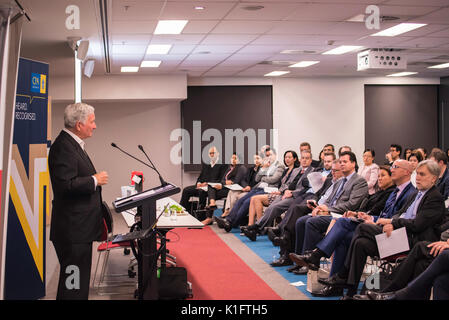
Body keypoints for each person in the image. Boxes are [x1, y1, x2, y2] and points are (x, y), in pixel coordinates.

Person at [321, 160, 446, 299]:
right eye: (417, 173)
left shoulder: (435, 198)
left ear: (434, 178)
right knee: (361, 243)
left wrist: (392, 222)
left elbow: (417, 224)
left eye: (422, 174)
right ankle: (351, 291)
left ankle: (342, 275)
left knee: (361, 228)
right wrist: (391, 223)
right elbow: (401, 215)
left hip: (410, 240)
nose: (418, 177)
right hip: (399, 235)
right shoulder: (417, 194)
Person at [49, 103, 109, 300]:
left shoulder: (73, 145)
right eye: (92, 122)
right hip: (72, 231)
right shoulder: (63, 147)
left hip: (79, 230)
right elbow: (65, 185)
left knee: (77, 284)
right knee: (72, 285)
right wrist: (94, 180)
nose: (95, 126)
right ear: (78, 125)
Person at [289, 151, 368, 269]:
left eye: (345, 162)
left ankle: (310, 263)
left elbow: (352, 204)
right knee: (301, 221)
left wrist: (328, 209)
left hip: (342, 216)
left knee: (311, 222)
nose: (342, 164)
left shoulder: (359, 181)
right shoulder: (340, 181)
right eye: (340, 162)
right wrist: (319, 207)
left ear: (353, 163)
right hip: (329, 212)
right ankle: (301, 261)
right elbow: (328, 200)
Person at [242, 150, 313, 240]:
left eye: (307, 158)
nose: (304, 160)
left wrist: (292, 193)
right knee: (271, 207)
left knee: (275, 207)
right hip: (285, 193)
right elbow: (286, 183)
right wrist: (284, 191)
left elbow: (306, 188)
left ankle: (256, 228)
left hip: (296, 197)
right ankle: (257, 229)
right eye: (303, 158)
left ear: (311, 160)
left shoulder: (313, 172)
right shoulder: (296, 170)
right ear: (299, 159)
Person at [214, 149, 284, 232]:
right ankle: (228, 220)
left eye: (270, 155)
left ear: (275, 155)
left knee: (247, 201)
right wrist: (263, 169)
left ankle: (231, 223)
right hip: (258, 187)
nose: (268, 157)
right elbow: (257, 178)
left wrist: (263, 178)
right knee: (241, 200)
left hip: (268, 189)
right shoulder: (265, 165)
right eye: (267, 155)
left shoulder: (279, 166)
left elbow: (274, 179)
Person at [245, 150, 300, 227]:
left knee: (256, 199)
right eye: (285, 157)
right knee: (253, 198)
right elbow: (257, 179)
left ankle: (259, 226)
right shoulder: (286, 170)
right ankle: (250, 225)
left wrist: (280, 192)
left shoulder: (297, 171)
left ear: (295, 159)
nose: (287, 159)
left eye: (289, 157)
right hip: (278, 192)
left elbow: (290, 185)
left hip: (284, 195)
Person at [201, 153, 247, 225]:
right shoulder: (229, 168)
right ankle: (212, 204)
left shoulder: (241, 168)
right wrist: (224, 183)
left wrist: (223, 185)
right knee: (210, 187)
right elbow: (222, 180)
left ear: (239, 160)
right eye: (232, 158)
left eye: (235, 158)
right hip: (225, 188)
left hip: (232, 190)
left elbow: (236, 182)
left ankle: (209, 216)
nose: (233, 160)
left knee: (212, 193)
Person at [179, 146, 226, 211]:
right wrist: (199, 183)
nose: (212, 155)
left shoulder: (223, 165)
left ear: (218, 154)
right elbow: (200, 177)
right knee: (186, 190)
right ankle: (182, 209)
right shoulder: (206, 164)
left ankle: (201, 212)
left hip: (212, 188)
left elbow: (221, 180)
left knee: (202, 192)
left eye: (213, 153)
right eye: (210, 153)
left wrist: (207, 183)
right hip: (202, 187)